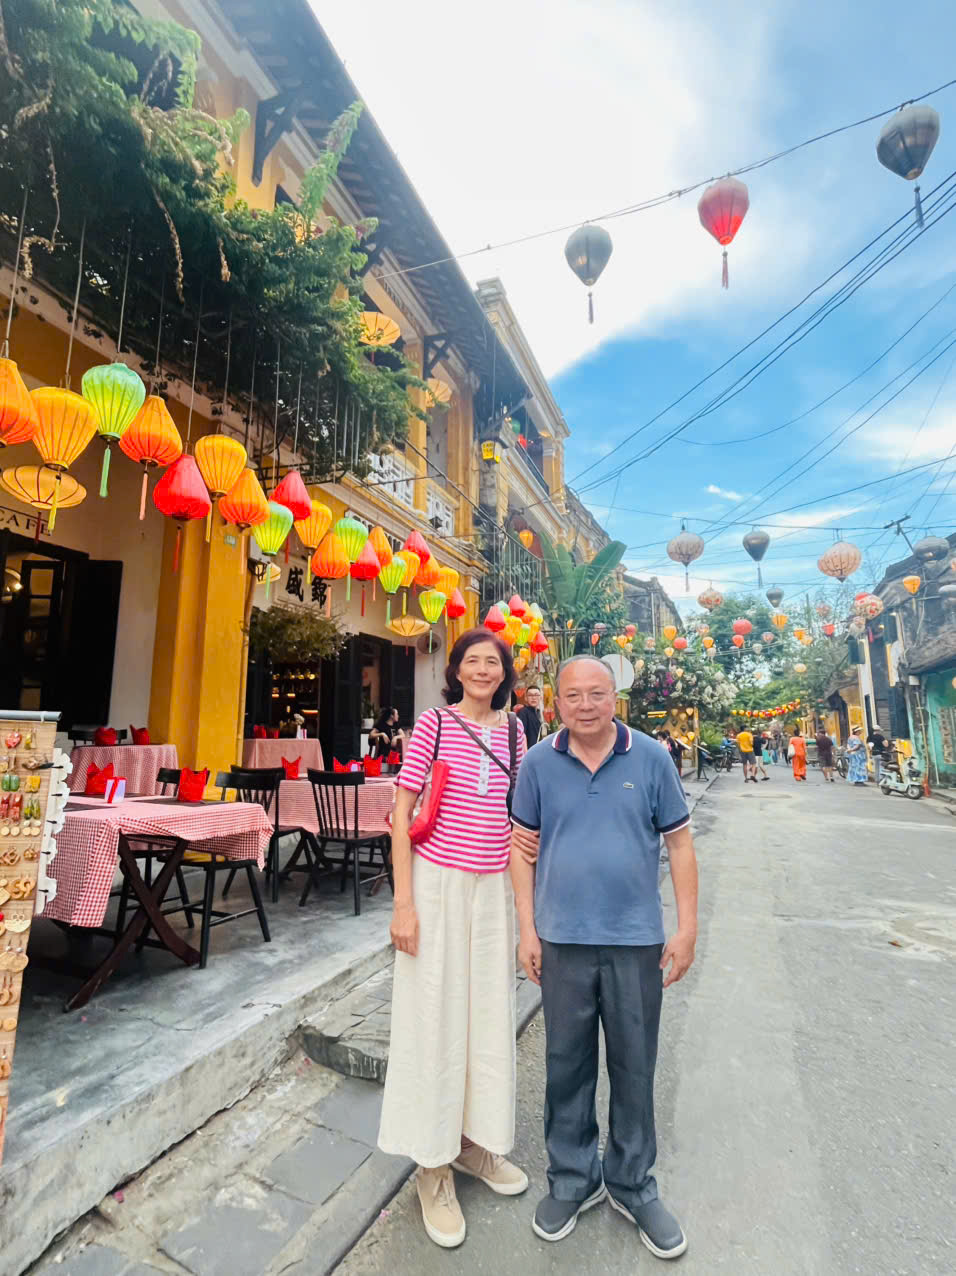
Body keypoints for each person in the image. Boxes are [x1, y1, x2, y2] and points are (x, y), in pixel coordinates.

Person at [510, 655, 697, 1258]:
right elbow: (521, 849)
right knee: (566, 1063)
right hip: (562, 940)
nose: (585, 705)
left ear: (615, 698)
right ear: (556, 702)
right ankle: (572, 1178)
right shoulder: (538, 763)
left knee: (634, 1064)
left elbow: (680, 844)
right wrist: (527, 930)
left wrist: (687, 927)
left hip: (635, 940)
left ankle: (633, 1183)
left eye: (597, 693)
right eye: (573, 695)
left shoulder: (652, 758)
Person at [378, 629, 528, 1249]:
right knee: (434, 1018)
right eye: (473, 661)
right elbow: (401, 815)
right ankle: (431, 1165)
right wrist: (403, 904)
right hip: (437, 886)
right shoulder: (434, 724)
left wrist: (527, 913)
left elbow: (519, 819)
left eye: (494, 662)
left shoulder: (516, 733)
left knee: (488, 1019)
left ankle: (474, 1144)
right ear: (457, 671)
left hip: (492, 891)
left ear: (505, 674)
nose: (483, 670)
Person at [516, 685, 547, 751]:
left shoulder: (539, 713)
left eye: (536, 695)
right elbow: (521, 736)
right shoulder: (523, 712)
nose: (533, 698)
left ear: (541, 698)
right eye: (530, 695)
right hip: (529, 752)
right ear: (526, 698)